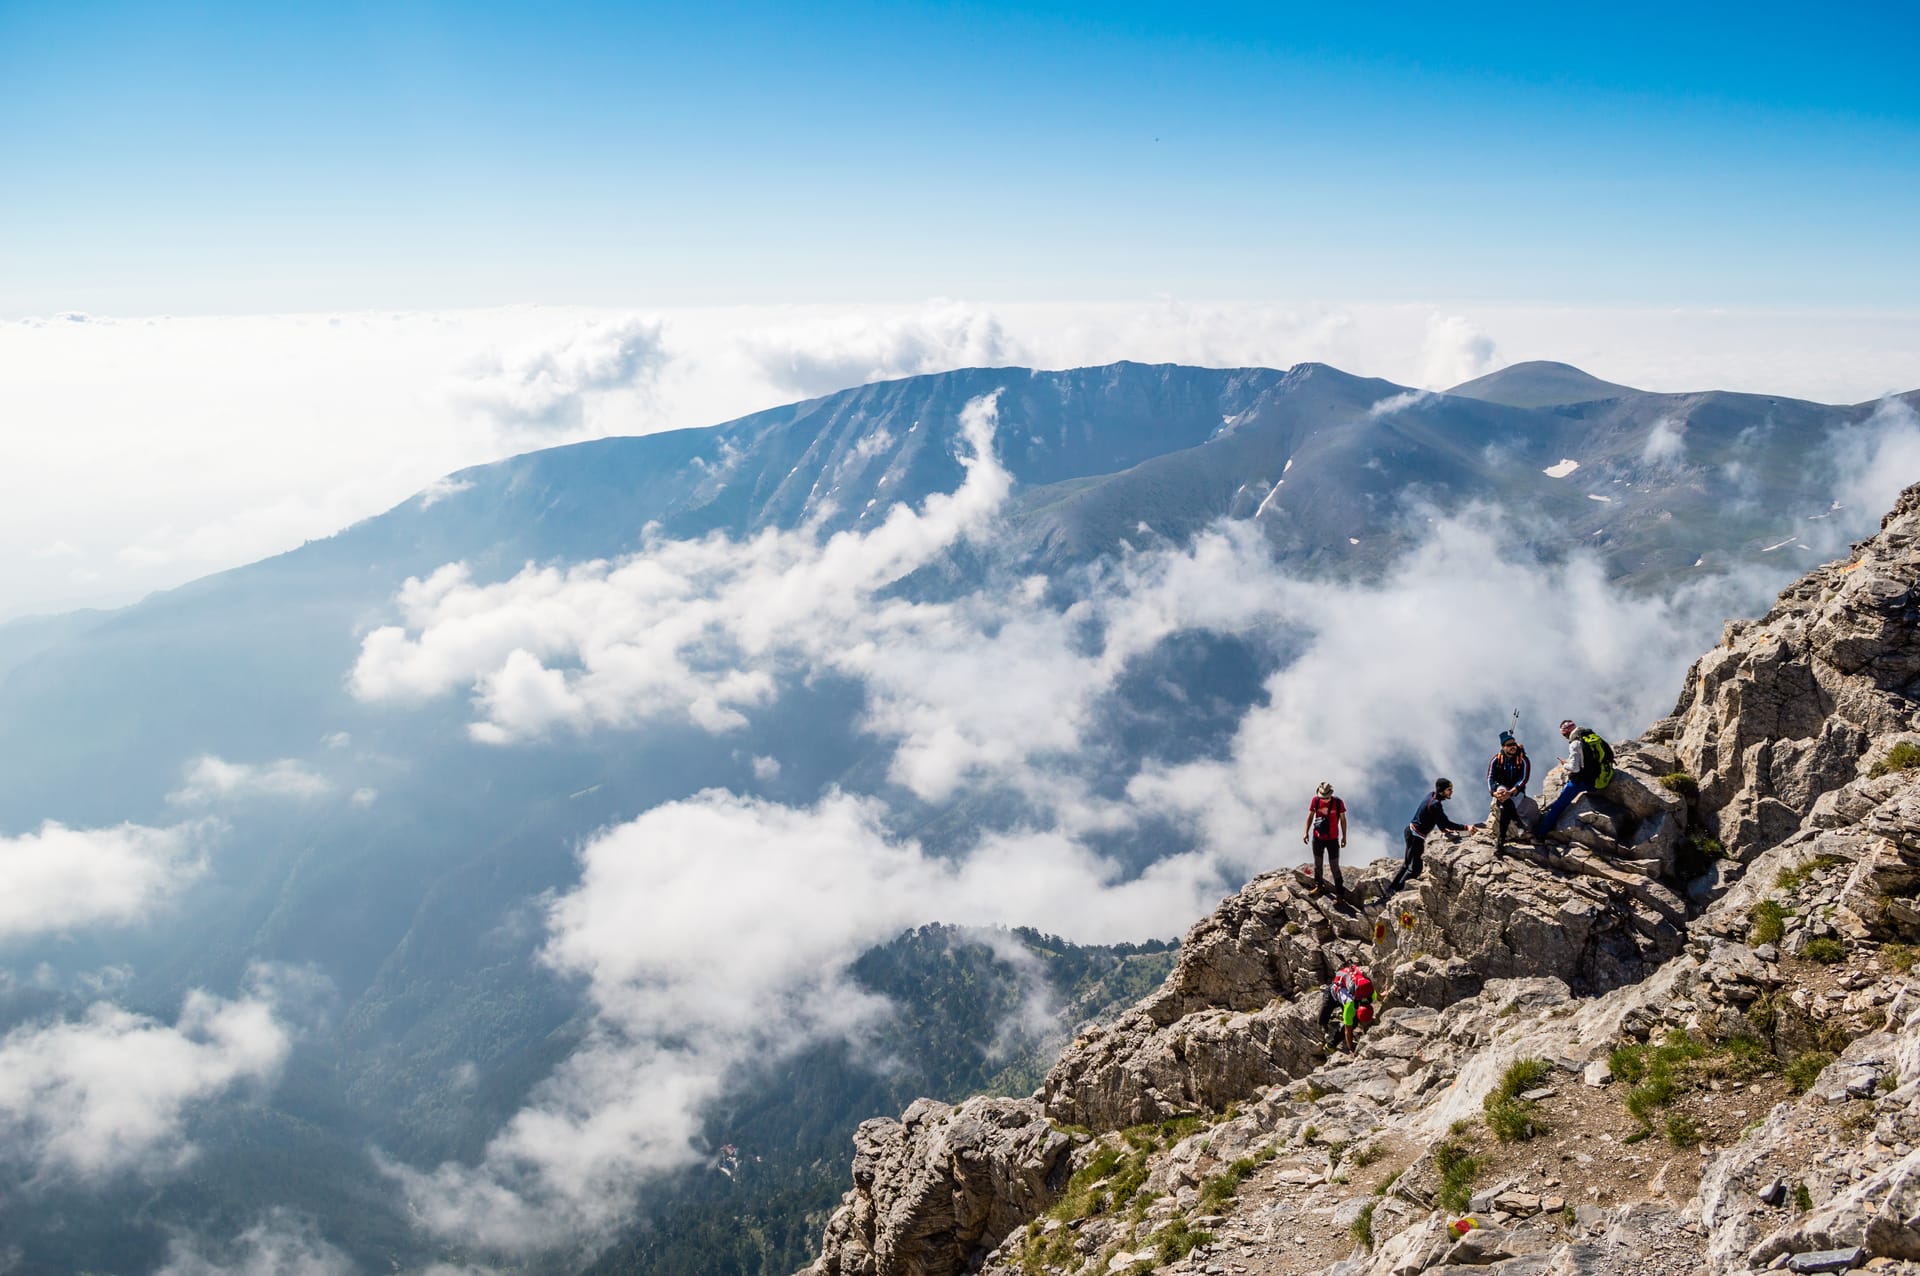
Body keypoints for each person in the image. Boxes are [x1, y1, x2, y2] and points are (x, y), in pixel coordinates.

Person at [1379, 778, 1479, 901]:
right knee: (1415, 869)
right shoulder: (1435, 804)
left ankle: (1391, 890)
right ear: (1442, 791)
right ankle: (1395, 892)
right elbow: (1445, 822)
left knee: (1406, 864)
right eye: (1449, 790)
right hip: (1416, 837)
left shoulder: (1431, 796)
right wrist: (1466, 827)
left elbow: (1438, 820)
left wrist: (1443, 829)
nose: (1451, 792)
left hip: (1410, 832)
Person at [1533, 719, 1614, 839]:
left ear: (1566, 732)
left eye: (1563, 734)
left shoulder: (1575, 744)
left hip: (1587, 781)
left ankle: (1540, 833)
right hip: (1604, 776)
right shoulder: (1590, 735)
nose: (1564, 737)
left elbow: (1575, 769)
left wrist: (1564, 764)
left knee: (1559, 805)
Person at [1301, 781, 1348, 898]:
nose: (1325, 799)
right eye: (1324, 797)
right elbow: (1310, 816)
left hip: (1333, 839)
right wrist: (1305, 832)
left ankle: (1340, 894)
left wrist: (1344, 837)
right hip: (1318, 838)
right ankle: (1319, 886)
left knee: (1334, 867)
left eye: (1327, 797)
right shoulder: (1315, 801)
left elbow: (1343, 820)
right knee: (1318, 864)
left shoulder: (1338, 803)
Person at [1486, 731, 1532, 851]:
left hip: (1517, 790)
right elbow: (1490, 777)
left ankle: (1501, 839)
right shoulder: (1496, 759)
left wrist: (1511, 792)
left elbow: (1524, 778)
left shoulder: (1523, 759)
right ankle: (1518, 824)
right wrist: (1493, 792)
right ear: (1503, 747)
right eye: (1509, 744)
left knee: (1505, 808)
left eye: (1514, 743)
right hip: (1502, 787)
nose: (1513, 746)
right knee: (1504, 798)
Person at [1318, 964, 1376, 1053]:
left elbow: (1374, 991)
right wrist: (1351, 1048)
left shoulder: (1371, 995)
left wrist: (1382, 995)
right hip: (1333, 992)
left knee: (1353, 1023)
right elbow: (1347, 1031)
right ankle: (1323, 1026)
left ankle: (1330, 1045)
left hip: (1345, 991)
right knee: (1322, 1019)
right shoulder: (1350, 1006)